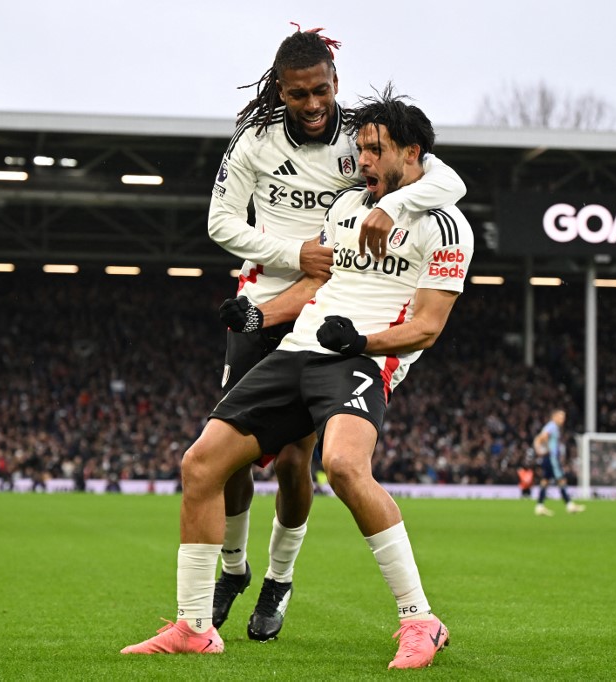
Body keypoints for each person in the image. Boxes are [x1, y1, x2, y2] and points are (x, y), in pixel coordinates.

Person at [123, 87, 468, 669]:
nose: (360, 161)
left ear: (412, 154)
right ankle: (194, 625)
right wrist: (261, 313)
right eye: (358, 148)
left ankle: (421, 621)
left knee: (342, 467)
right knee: (201, 463)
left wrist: (360, 342)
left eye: (374, 150)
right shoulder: (347, 208)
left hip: (360, 360)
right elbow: (316, 287)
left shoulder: (446, 226)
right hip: (298, 348)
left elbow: (428, 328)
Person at [204, 24, 466, 641]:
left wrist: (393, 207)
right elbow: (219, 223)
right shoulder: (254, 141)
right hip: (267, 296)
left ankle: (277, 579)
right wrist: (294, 252)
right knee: (228, 459)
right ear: (281, 91)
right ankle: (233, 568)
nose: (315, 105)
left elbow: (446, 181)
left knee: (296, 462)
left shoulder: (364, 136)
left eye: (322, 91)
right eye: (300, 95)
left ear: (335, 84)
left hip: (328, 306)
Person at [533, 409, 585, 516]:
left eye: (564, 417)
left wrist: (540, 449)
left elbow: (538, 439)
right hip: (552, 458)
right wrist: (544, 450)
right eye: (561, 417)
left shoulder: (551, 426)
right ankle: (569, 505)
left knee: (545, 481)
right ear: (554, 416)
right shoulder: (552, 426)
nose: (563, 419)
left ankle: (539, 506)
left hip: (548, 457)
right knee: (561, 480)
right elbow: (541, 438)